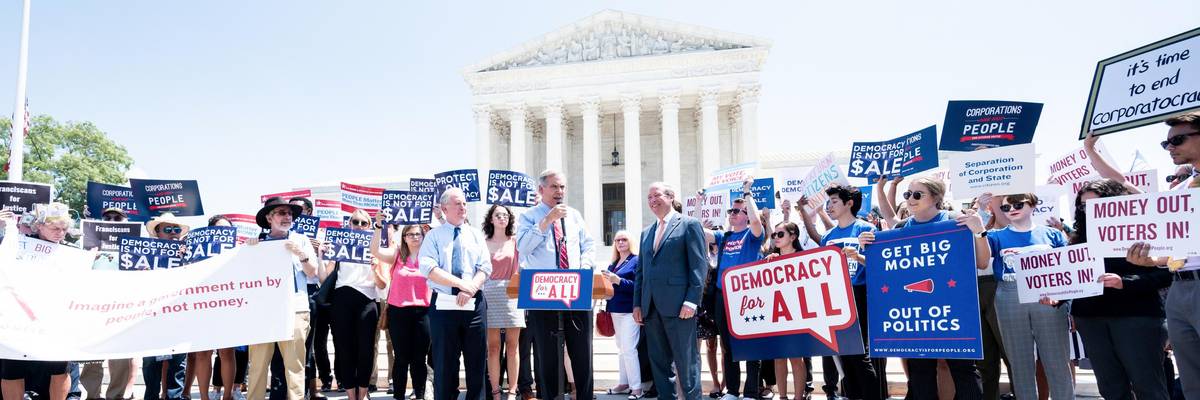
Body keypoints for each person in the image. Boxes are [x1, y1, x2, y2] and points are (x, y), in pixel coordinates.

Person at [863, 177, 987, 400]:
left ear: (936, 198)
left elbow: (982, 262)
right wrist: (870, 248)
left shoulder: (955, 221)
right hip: (916, 316)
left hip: (953, 312)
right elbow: (886, 272)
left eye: (917, 194)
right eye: (907, 194)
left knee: (963, 371)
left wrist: (979, 232)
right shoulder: (900, 229)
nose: (911, 199)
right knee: (920, 373)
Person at [1066, 179, 1171, 399]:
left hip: (1136, 317)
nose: (1089, 211)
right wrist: (1055, 297)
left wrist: (1126, 282)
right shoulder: (1078, 239)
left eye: (1096, 204)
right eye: (1083, 206)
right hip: (1091, 320)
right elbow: (1070, 280)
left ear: (1114, 202)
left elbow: (1165, 272)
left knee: (1148, 386)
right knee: (1110, 388)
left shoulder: (1143, 229)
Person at [1126, 111, 1200, 399]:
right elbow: (1174, 249)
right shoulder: (1179, 192)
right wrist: (1150, 260)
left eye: (1177, 140)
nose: (1170, 148)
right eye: (1165, 143)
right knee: (1192, 380)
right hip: (1180, 287)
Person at [980, 193, 1074, 399]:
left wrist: (1068, 304)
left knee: (1057, 359)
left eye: (1017, 204)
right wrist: (979, 224)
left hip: (1048, 296)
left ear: (1032, 205)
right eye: (1005, 207)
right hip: (1009, 293)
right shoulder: (996, 236)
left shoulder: (1052, 235)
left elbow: (1069, 272)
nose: (1012, 209)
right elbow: (981, 261)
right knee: (1020, 361)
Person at [515, 170, 596, 400]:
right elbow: (523, 247)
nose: (560, 192)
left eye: (562, 187)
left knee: (582, 354)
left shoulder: (574, 215)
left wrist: (585, 267)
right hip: (543, 293)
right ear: (541, 190)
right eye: (554, 187)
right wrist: (546, 221)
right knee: (547, 355)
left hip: (575, 289)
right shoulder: (529, 216)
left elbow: (588, 245)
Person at [797, 185, 882, 400]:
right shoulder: (828, 237)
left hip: (859, 294)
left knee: (860, 355)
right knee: (844, 355)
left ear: (849, 203)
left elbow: (881, 265)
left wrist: (858, 257)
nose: (830, 206)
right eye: (829, 202)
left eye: (834, 201)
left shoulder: (867, 230)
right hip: (835, 298)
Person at [634, 182, 707, 400]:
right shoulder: (646, 232)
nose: (652, 200)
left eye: (656, 195)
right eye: (649, 197)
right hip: (651, 308)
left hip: (679, 307)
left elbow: (698, 265)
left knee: (687, 363)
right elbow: (641, 272)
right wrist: (638, 304)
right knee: (659, 364)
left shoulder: (689, 224)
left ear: (670, 196)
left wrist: (692, 301)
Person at [693, 179, 763, 400]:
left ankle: (751, 391)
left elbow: (757, 221)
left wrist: (747, 193)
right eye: (731, 210)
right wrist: (698, 203)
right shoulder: (725, 236)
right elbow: (696, 230)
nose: (732, 213)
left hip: (747, 295)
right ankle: (732, 390)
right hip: (723, 295)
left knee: (750, 344)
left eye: (737, 211)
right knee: (727, 344)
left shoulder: (752, 236)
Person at [245, 198, 321, 400]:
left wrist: (301, 254)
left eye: (289, 213)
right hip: (263, 312)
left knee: (295, 367)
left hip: (295, 309)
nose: (287, 217)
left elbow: (313, 272)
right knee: (258, 366)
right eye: (281, 213)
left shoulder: (301, 240)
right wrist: (249, 251)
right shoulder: (257, 243)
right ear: (269, 218)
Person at [419, 187, 491, 400]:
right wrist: (462, 285)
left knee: (477, 362)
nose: (463, 207)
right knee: (445, 363)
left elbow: (485, 267)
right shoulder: (433, 236)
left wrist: (471, 289)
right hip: (444, 305)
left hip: (474, 304)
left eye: (465, 204)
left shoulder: (476, 234)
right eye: (457, 203)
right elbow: (428, 268)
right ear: (444, 208)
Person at [1, 204, 75, 400]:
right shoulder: (16, 244)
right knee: (12, 368)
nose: (60, 233)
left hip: (54, 319)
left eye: (64, 229)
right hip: (16, 318)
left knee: (58, 368)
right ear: (39, 226)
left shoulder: (73, 253)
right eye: (55, 228)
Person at [324, 209, 386, 400]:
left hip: (367, 301)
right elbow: (325, 277)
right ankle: (351, 395)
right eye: (355, 222)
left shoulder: (376, 249)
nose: (359, 226)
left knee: (366, 350)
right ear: (349, 224)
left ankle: (363, 392)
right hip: (341, 300)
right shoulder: (339, 245)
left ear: (369, 226)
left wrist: (375, 269)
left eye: (363, 223)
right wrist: (324, 256)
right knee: (344, 348)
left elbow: (383, 284)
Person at [79, 207, 137, 400]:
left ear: (125, 222)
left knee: (120, 355)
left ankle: (116, 395)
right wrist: (87, 258)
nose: (112, 220)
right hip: (93, 305)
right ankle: (92, 395)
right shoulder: (88, 242)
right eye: (108, 217)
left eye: (117, 218)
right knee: (92, 355)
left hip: (121, 306)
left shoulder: (135, 245)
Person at [373, 222, 432, 400]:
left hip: (424, 312)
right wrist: (377, 226)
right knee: (401, 358)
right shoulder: (398, 254)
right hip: (399, 312)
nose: (414, 237)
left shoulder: (430, 255)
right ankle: (399, 396)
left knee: (419, 359)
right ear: (404, 237)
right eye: (410, 234)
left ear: (424, 236)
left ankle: (419, 395)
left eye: (418, 234)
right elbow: (375, 250)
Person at [138, 212, 192, 400]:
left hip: (179, 317)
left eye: (176, 229)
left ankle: (174, 397)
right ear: (158, 233)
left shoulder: (190, 255)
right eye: (167, 229)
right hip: (151, 318)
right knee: (151, 364)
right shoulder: (143, 257)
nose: (173, 233)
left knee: (178, 364)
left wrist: (187, 261)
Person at [761, 222, 809, 400]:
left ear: (793, 237)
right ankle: (782, 397)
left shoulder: (805, 257)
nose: (776, 238)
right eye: (774, 235)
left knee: (796, 358)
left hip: (798, 314)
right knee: (779, 357)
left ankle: (798, 397)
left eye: (780, 234)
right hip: (777, 314)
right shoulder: (771, 259)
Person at [480, 204, 524, 399]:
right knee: (493, 347)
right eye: (498, 215)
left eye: (505, 215)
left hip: (512, 293)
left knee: (513, 345)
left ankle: (513, 391)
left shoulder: (516, 242)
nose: (502, 218)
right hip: (489, 292)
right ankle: (496, 391)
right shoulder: (483, 242)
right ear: (491, 219)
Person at [601, 230, 642, 400]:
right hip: (615, 310)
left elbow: (638, 286)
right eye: (617, 240)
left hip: (629, 311)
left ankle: (637, 388)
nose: (620, 242)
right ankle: (624, 383)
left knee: (629, 349)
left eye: (624, 239)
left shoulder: (636, 260)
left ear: (630, 241)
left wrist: (617, 280)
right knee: (621, 349)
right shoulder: (613, 264)